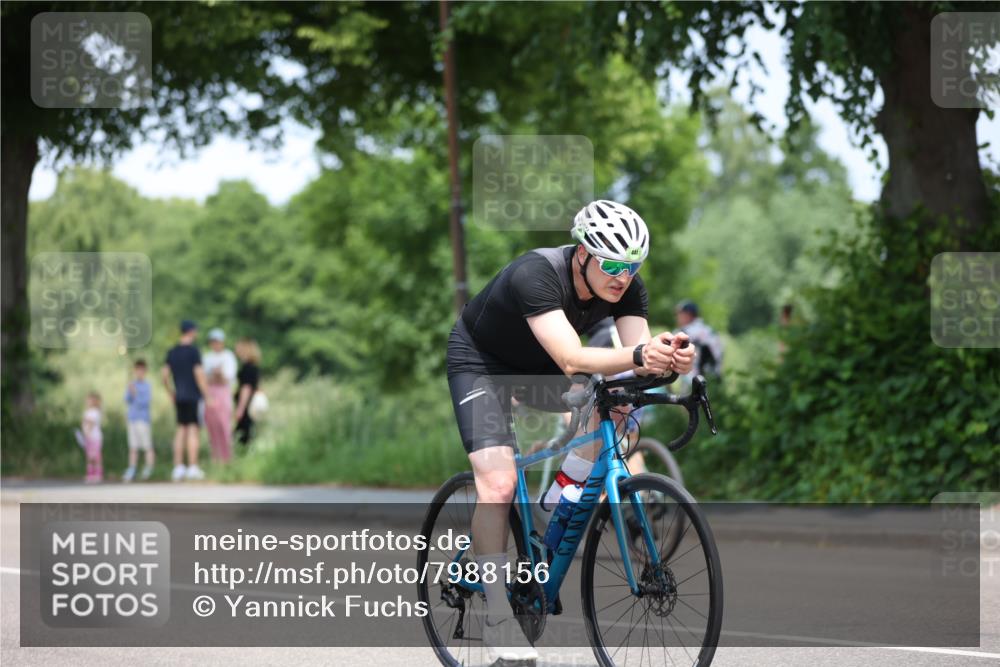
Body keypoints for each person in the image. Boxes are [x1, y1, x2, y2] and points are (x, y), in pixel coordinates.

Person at [446, 199, 695, 663]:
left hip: (540, 368)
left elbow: (634, 359)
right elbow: (573, 359)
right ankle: (499, 620)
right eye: (613, 263)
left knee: (617, 406)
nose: (623, 276)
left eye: (633, 265)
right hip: (482, 365)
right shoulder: (536, 274)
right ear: (582, 253)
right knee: (498, 485)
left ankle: (555, 506)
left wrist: (672, 360)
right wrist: (642, 355)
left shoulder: (628, 290)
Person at [161, 320, 212, 482]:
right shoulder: (193, 351)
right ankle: (192, 467)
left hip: (179, 396)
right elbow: (199, 375)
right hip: (193, 396)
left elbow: (164, 375)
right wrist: (208, 396)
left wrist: (171, 393)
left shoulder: (172, 351)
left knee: (180, 430)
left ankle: (178, 467)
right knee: (193, 430)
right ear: (191, 331)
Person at [202, 328, 238, 463]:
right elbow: (205, 379)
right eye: (213, 341)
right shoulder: (207, 357)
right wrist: (216, 375)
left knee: (225, 427)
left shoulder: (228, 356)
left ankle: (228, 459)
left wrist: (217, 375)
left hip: (223, 395)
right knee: (212, 427)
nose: (215, 344)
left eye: (218, 341)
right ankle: (215, 459)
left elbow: (226, 379)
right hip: (210, 395)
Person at [674, 299, 724, 379]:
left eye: (679, 314)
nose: (677, 317)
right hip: (714, 377)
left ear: (688, 314)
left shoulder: (686, 331)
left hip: (695, 379)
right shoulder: (708, 329)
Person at [123, 359, 154, 482]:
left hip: (143, 419)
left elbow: (144, 402)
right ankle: (132, 469)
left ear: (145, 371)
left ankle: (148, 468)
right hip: (132, 419)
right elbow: (127, 400)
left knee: (147, 446)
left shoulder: (147, 386)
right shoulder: (132, 384)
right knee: (133, 446)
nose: (139, 372)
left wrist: (135, 393)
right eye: (137, 370)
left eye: (142, 370)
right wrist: (130, 391)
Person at [233, 338, 261, 447]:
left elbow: (246, 388)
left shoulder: (247, 368)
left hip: (246, 406)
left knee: (243, 433)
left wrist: (240, 408)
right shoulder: (253, 367)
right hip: (250, 405)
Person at [80, 392, 103, 483]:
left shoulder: (96, 412)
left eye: (90, 400)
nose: (88, 402)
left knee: (96, 456)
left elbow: (91, 423)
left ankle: (98, 475)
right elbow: (84, 423)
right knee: (89, 457)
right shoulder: (87, 412)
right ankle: (90, 474)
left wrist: (87, 433)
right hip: (88, 437)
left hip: (95, 437)